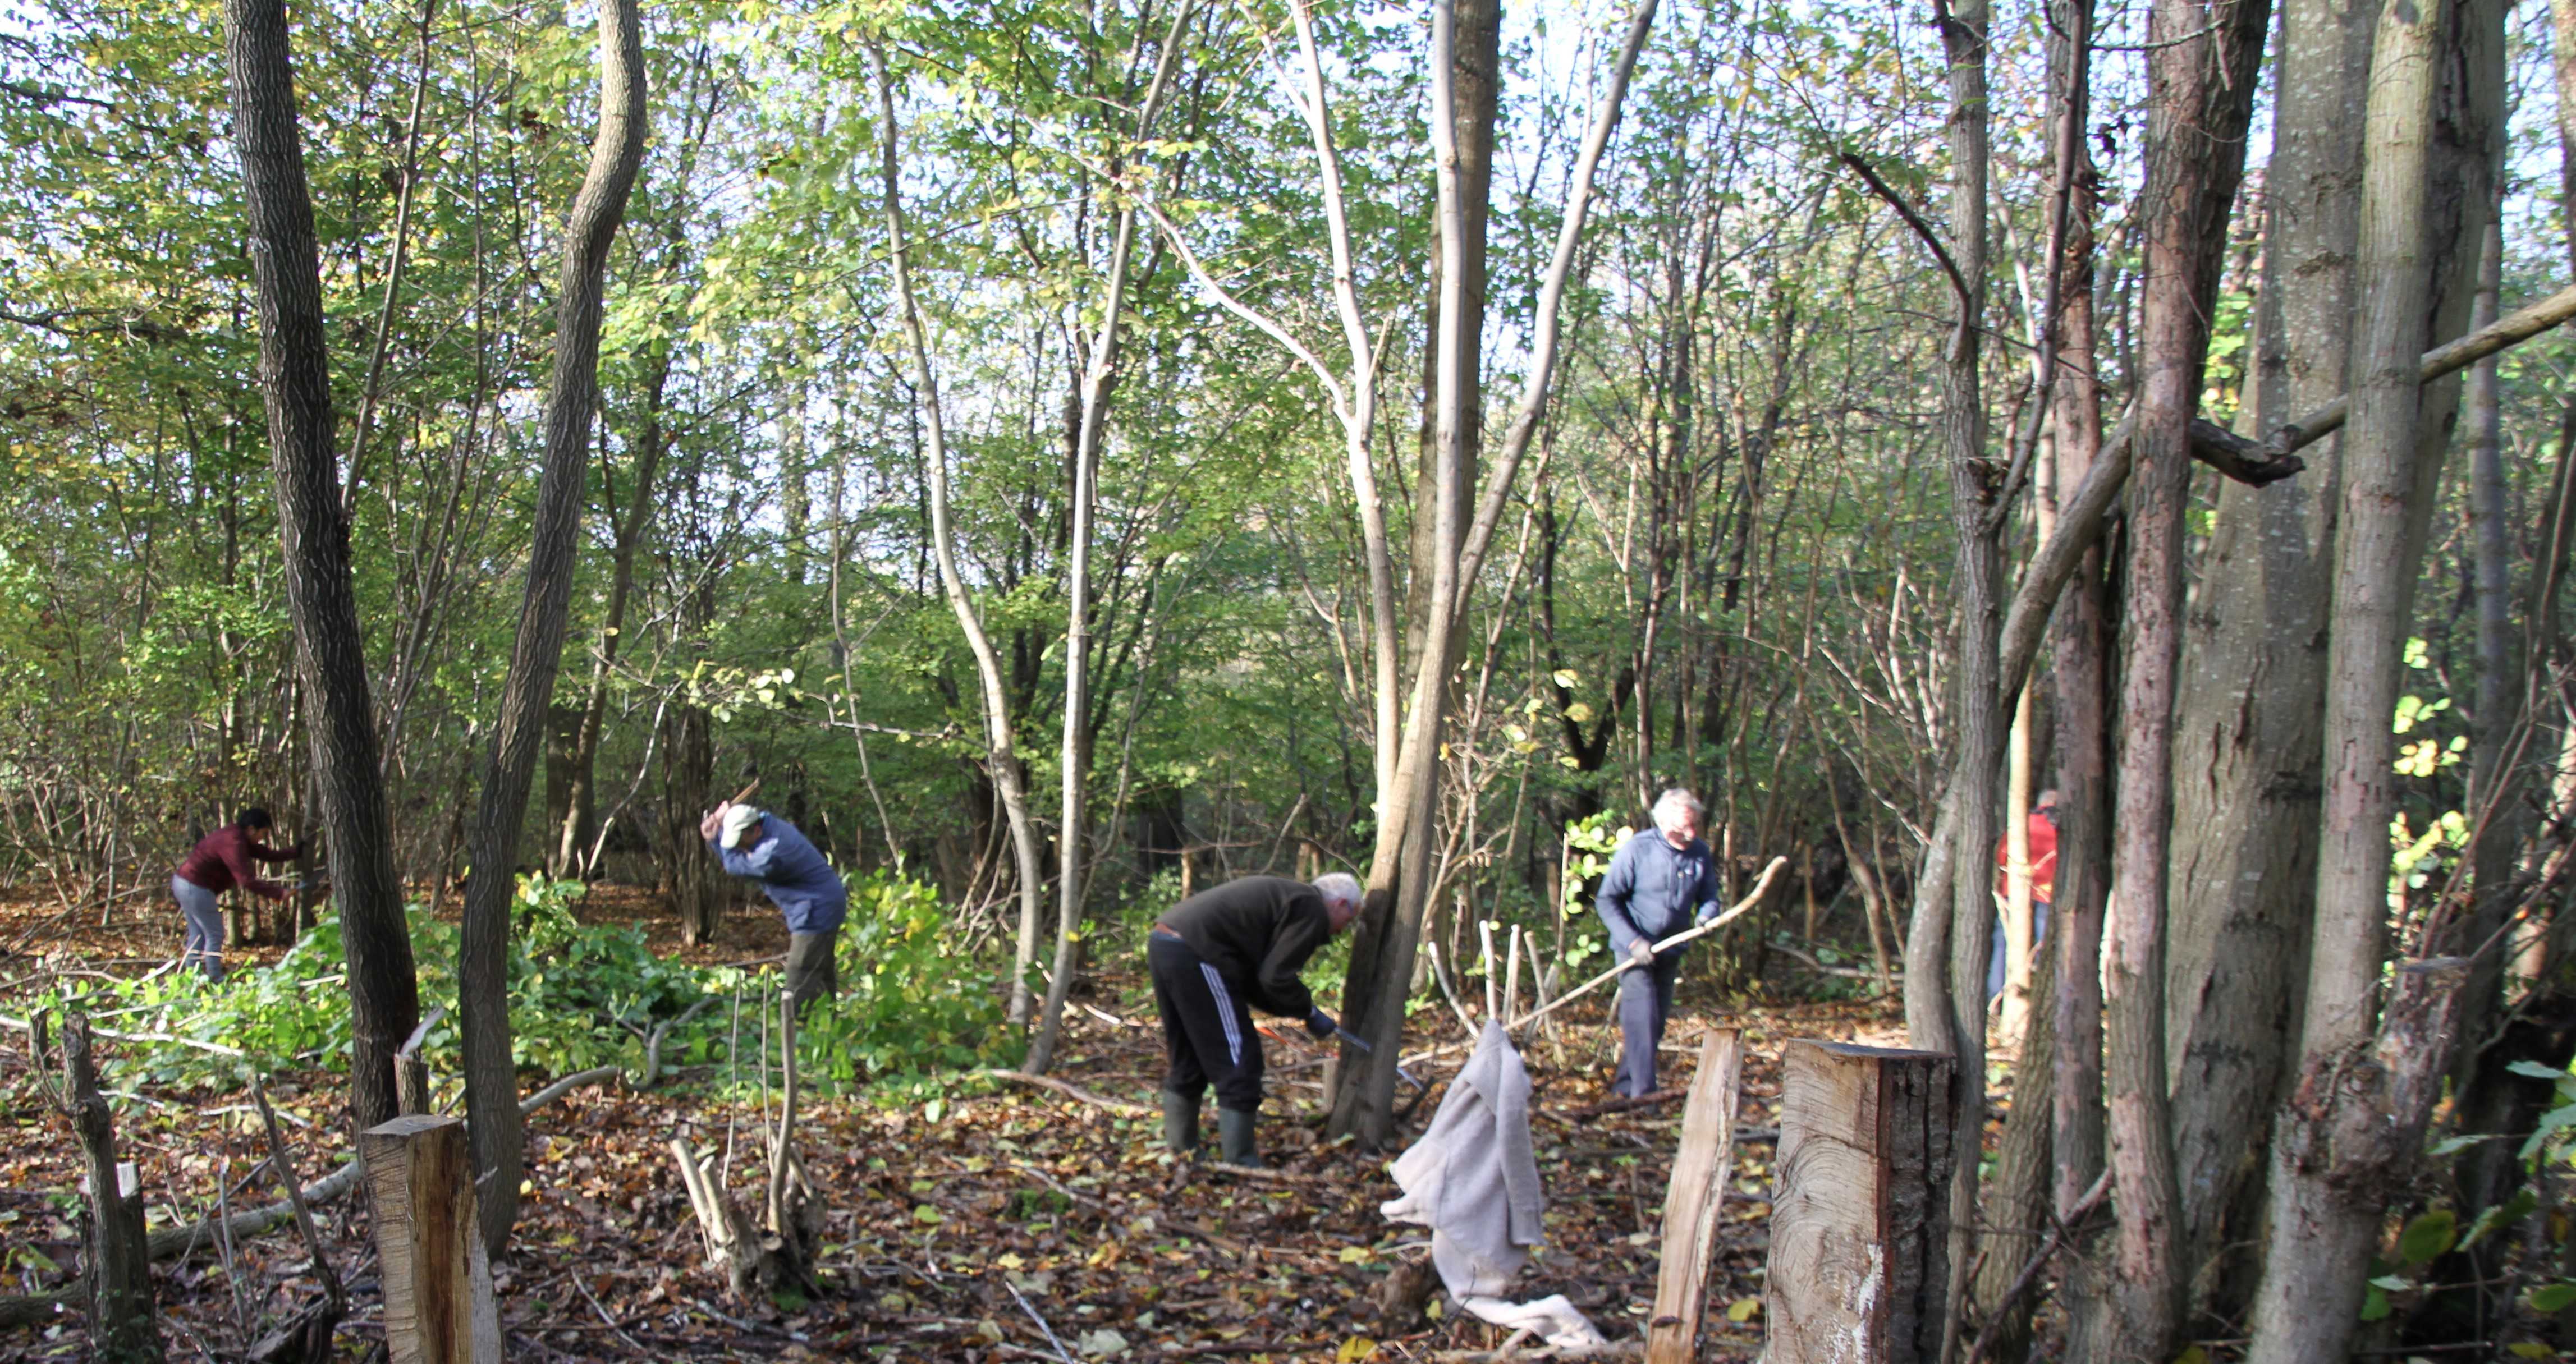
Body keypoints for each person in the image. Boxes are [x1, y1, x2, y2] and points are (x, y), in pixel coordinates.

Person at [1149, 870, 1364, 1167]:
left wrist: (1303, 1012)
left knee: (1190, 1059)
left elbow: (1259, 981)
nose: (1342, 931)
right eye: (1349, 921)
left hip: (1165, 942)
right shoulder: (1311, 908)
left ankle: (1183, 1156)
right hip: (1199, 952)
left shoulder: (1290, 899)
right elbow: (1276, 978)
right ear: (1340, 904)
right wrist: (1310, 1012)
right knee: (1239, 1062)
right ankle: (1242, 1164)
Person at [1594, 788, 1724, 1097]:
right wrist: (1633, 942)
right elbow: (1607, 900)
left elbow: (1710, 897)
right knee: (1641, 1020)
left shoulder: (1699, 853)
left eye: (1695, 825)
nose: (1691, 834)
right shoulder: (1638, 849)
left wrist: (1707, 917)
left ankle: (1625, 1087)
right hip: (1634, 952)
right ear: (1663, 822)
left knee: (1655, 1024)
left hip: (1671, 950)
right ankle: (1645, 1095)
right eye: (1683, 827)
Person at [699, 801, 849, 1013]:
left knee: (800, 973)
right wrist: (724, 821)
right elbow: (741, 832)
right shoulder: (765, 822)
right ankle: (828, 1026)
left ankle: (797, 1027)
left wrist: (715, 839)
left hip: (817, 909)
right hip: (823, 900)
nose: (739, 847)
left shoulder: (773, 852)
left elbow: (734, 866)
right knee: (820, 972)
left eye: (741, 842)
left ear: (756, 831)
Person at [172, 807, 301, 981]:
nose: (263, 838)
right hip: (195, 887)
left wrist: (296, 853)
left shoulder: (238, 837)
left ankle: (190, 979)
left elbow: (265, 854)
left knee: (198, 935)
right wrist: (278, 893)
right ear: (252, 829)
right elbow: (246, 880)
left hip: (183, 882)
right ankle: (215, 980)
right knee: (214, 934)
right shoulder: (234, 842)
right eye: (263, 833)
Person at [1988, 789, 2060, 1002]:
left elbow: (2002, 857)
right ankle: (2041, 999)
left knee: (2003, 944)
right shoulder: (2062, 826)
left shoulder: (2020, 823)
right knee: (2044, 946)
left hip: (2014, 892)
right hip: (2047, 894)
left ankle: (1996, 997)